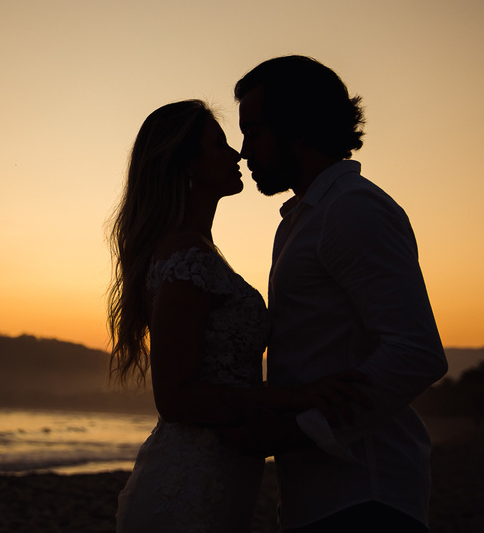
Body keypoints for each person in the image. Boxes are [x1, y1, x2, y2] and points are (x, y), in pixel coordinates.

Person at [108, 100, 366, 533]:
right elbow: (176, 398)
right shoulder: (187, 256)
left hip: (220, 479)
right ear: (188, 163)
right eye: (220, 144)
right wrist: (296, 397)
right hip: (188, 486)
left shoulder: (198, 252)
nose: (238, 154)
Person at [235, 56, 449, 532]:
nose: (244, 151)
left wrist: (295, 431)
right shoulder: (303, 219)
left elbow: (417, 353)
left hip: (365, 496)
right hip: (319, 496)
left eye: (253, 131)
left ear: (297, 128)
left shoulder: (353, 211)